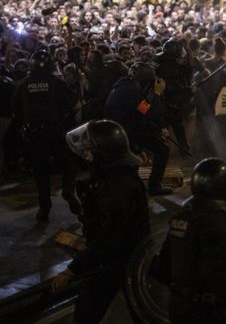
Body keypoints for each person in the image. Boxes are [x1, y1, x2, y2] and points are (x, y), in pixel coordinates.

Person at [50, 120, 150, 323]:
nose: (85, 156)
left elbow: (109, 236)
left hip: (119, 260)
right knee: (139, 310)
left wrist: (74, 269)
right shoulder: (115, 177)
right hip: (122, 256)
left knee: (88, 312)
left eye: (89, 152)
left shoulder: (116, 188)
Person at [155, 158, 226, 323]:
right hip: (204, 312)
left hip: (178, 307)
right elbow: (215, 277)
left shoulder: (182, 217)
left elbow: (161, 269)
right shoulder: (217, 223)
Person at [12, 49, 80, 221]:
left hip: (34, 132)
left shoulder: (23, 84)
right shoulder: (56, 82)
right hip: (54, 129)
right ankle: (67, 189)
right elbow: (72, 102)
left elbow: (15, 110)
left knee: (40, 171)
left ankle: (44, 208)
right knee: (67, 163)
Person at [104, 62, 173, 195]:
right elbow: (148, 113)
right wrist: (157, 95)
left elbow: (142, 111)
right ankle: (154, 186)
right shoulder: (131, 92)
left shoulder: (125, 86)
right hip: (126, 131)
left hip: (122, 128)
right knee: (163, 149)